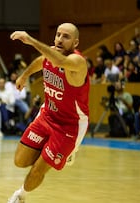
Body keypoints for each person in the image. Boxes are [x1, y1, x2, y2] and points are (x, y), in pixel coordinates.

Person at [7, 23, 89, 203]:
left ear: (75, 43)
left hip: (69, 126)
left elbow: (59, 61)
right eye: (58, 34)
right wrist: (25, 75)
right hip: (47, 116)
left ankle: (21, 195)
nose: (60, 39)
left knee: (38, 169)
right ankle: (57, 152)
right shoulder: (50, 53)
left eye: (66, 36)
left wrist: (29, 40)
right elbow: (41, 61)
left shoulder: (77, 61)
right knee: (20, 161)